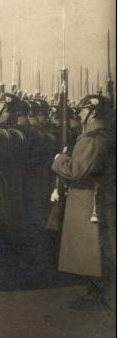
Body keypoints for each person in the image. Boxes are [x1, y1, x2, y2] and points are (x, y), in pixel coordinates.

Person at [51, 94, 116, 309]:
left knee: (92, 248)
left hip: (90, 200)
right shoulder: (97, 135)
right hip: (92, 198)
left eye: (82, 109)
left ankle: (99, 294)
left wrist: (60, 160)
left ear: (93, 111)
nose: (79, 112)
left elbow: (78, 170)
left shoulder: (94, 138)